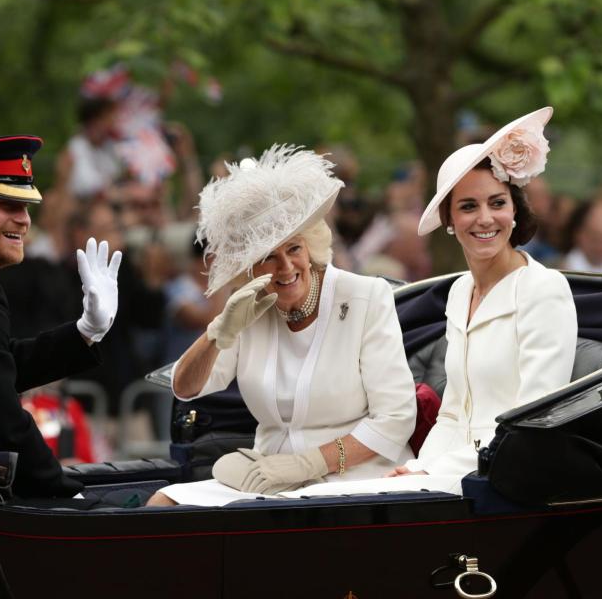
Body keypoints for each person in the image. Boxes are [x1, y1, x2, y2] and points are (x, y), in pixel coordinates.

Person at [292, 108, 578, 497]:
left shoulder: (544, 289)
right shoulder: (460, 291)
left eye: (497, 203)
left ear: (514, 211)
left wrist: (432, 474)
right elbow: (452, 413)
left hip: (509, 478)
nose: (485, 218)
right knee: (321, 494)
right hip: (452, 472)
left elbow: (530, 420)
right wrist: (418, 468)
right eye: (468, 206)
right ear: (449, 218)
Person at [148, 144, 416, 506]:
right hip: (266, 477)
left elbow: (395, 419)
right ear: (250, 269)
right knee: (163, 503)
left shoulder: (366, 296)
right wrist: (219, 331)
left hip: (355, 476)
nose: (286, 267)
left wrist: (308, 463)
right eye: (268, 257)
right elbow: (185, 386)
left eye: (293, 249)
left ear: (311, 247)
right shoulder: (248, 309)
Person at [0, 135, 122, 498]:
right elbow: (1, 419)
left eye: (26, 206)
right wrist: (63, 493)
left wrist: (85, 332)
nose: (23, 220)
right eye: (8, 205)